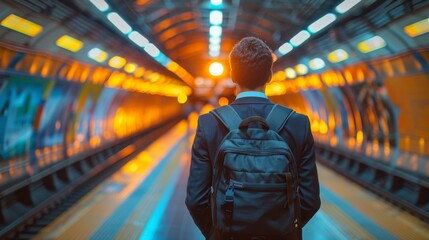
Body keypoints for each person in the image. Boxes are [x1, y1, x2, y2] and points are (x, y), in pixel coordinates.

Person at [186, 36, 320, 240]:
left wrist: (217, 233)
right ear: (270, 75)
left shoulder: (209, 124)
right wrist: (285, 230)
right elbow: (310, 200)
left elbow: (196, 200)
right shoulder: (298, 123)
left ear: (232, 75)